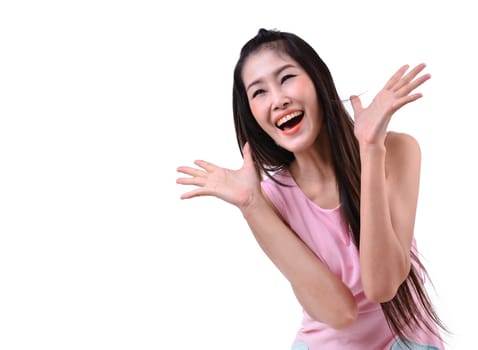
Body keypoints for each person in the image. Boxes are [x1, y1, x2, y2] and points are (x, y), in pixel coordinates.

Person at [176, 28, 448, 349]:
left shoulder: (398, 151)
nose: (278, 100)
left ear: (318, 81)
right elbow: (338, 314)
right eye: (259, 92)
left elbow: (383, 286)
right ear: (251, 114)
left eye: (286, 77)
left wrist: (371, 149)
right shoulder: (270, 199)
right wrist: (252, 206)